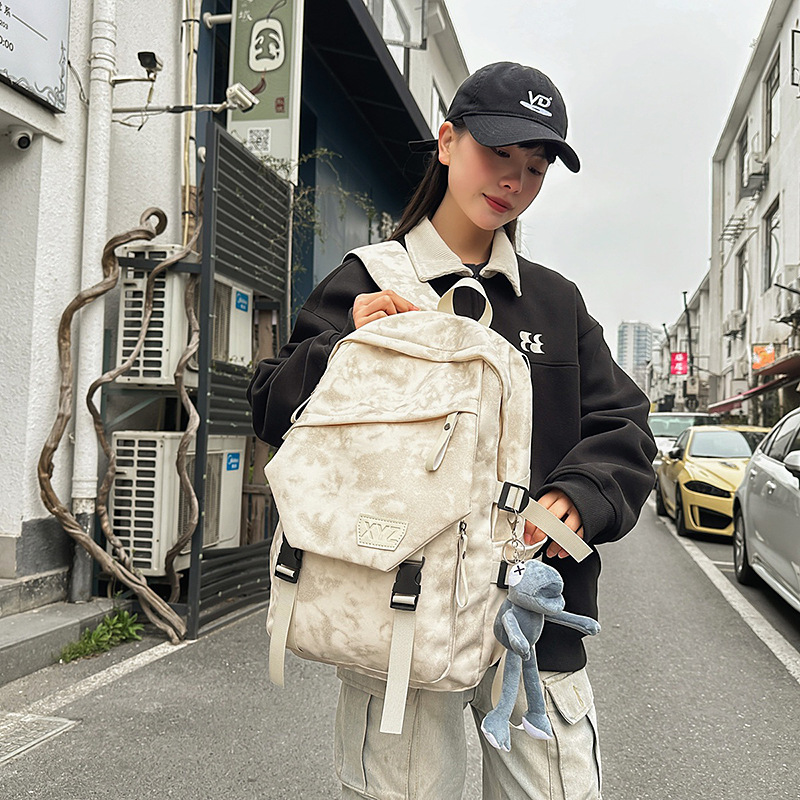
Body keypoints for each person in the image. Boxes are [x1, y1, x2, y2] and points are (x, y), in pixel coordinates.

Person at [248, 61, 656, 800]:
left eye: (534, 167)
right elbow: (272, 404)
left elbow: (625, 424)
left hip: (535, 620)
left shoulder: (555, 303)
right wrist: (342, 349)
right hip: (398, 612)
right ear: (445, 142)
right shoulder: (369, 277)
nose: (513, 181)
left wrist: (577, 496)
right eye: (497, 154)